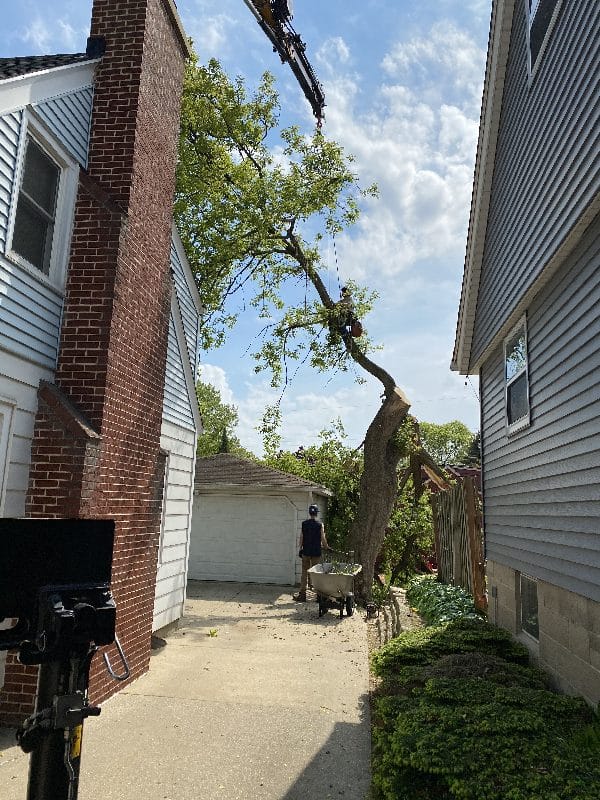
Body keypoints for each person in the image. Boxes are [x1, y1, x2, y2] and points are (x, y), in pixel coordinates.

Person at [294, 504, 329, 602]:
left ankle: (302, 594)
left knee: (304, 573)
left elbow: (301, 537)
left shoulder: (304, 524)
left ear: (310, 513)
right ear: (316, 514)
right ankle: (319, 596)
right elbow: (323, 538)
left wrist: (300, 548)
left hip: (306, 552)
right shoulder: (320, 525)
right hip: (316, 553)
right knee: (316, 573)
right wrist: (326, 546)